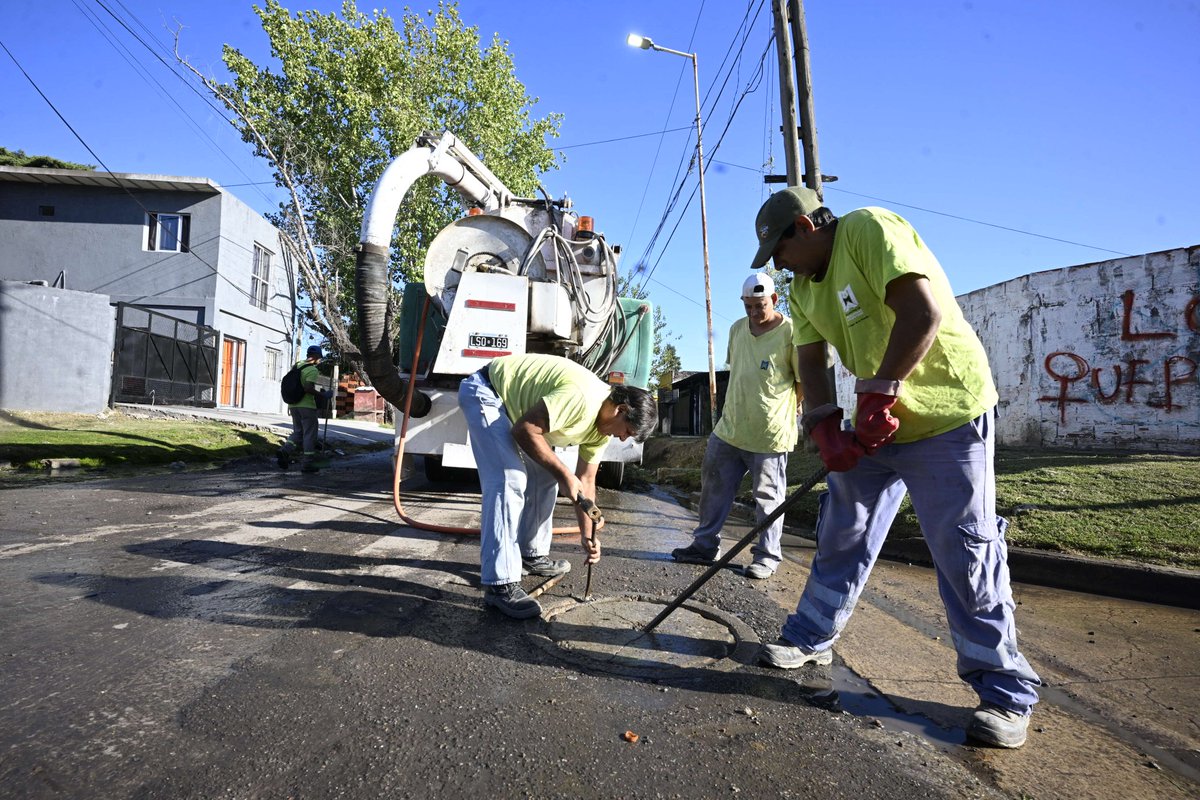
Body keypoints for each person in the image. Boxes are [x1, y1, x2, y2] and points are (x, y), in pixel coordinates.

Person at [749, 186, 1041, 749]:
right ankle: (811, 635)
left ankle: (1006, 694)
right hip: (872, 426)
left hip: (946, 416)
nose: (778, 267)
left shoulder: (869, 230)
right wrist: (823, 422)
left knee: (964, 548)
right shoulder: (807, 289)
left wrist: (881, 391)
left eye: (779, 252)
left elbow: (922, 311)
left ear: (805, 229)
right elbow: (811, 358)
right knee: (841, 530)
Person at [459, 353, 658, 619]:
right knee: (509, 478)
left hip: (515, 408)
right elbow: (525, 429)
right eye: (627, 433)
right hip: (487, 391)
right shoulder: (583, 399)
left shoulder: (601, 428)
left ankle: (531, 555)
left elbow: (586, 481)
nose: (622, 439)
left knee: (544, 476)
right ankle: (500, 585)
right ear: (621, 410)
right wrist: (565, 473)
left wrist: (588, 537)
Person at [671, 272, 801, 580]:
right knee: (713, 488)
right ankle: (704, 546)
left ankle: (767, 557)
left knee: (768, 498)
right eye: (748, 307)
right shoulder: (737, 329)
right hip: (729, 429)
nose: (754, 313)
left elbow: (802, 380)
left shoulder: (792, 333)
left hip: (770, 433)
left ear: (774, 300)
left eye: (760, 306)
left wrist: (793, 408)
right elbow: (740, 372)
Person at [277, 345, 332, 474]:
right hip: (306, 406)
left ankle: (285, 451)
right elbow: (308, 388)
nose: (319, 361)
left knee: (298, 432)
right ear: (316, 356)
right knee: (309, 434)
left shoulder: (298, 365)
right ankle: (307, 464)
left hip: (293, 405)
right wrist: (323, 395)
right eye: (319, 358)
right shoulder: (312, 370)